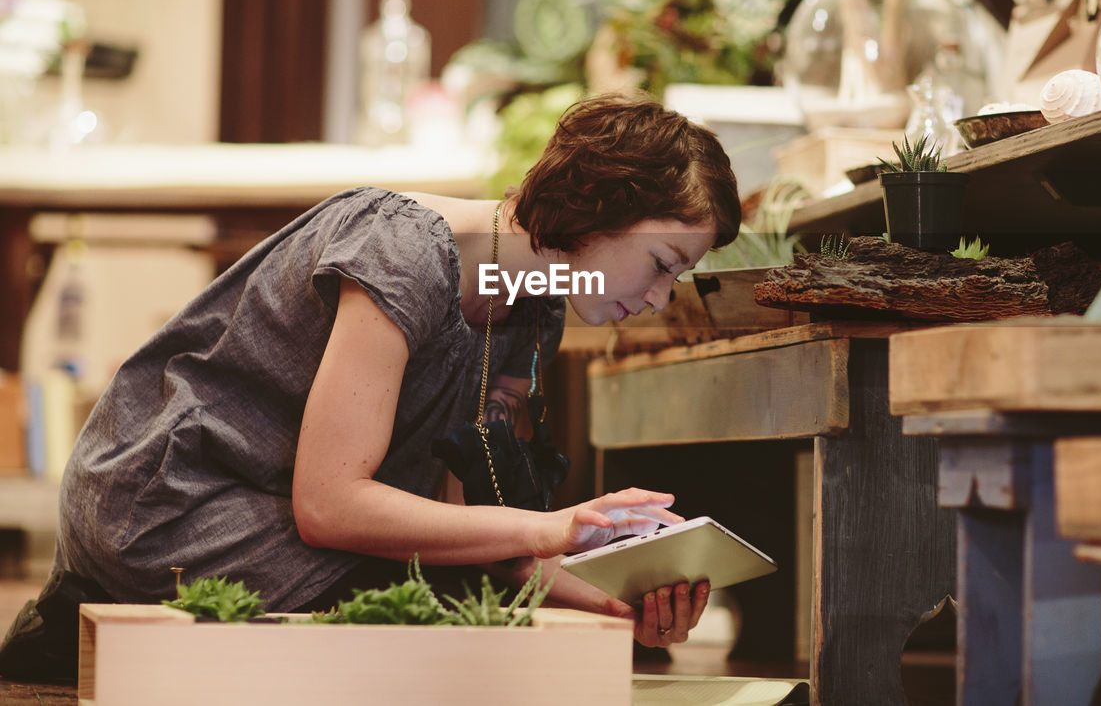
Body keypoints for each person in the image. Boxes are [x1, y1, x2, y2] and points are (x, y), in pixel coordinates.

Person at [0, 93, 742, 681]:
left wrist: (620, 603)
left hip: (277, 514)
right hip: (172, 497)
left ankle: (88, 632)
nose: (660, 296)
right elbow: (330, 505)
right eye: (663, 262)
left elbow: (459, 532)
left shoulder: (536, 310)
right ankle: (77, 623)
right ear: (602, 204)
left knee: (466, 607)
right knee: (437, 624)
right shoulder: (405, 250)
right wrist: (555, 527)